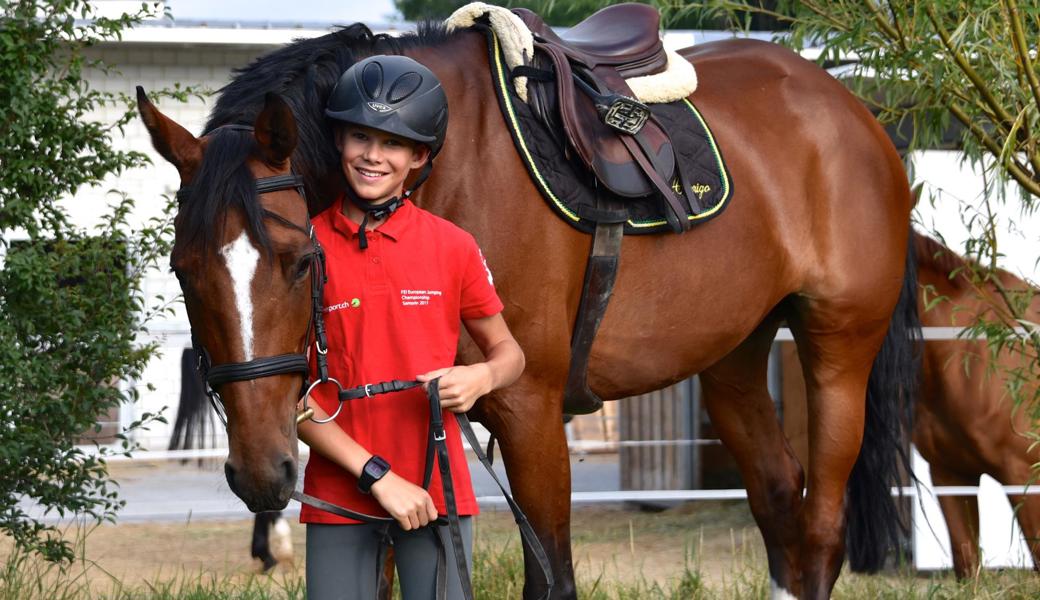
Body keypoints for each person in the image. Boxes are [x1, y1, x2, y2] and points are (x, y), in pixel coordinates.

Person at [296, 55, 525, 600]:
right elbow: (290, 399)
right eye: (360, 137)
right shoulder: (301, 249)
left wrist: (482, 378)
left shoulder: (453, 246)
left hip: (437, 485)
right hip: (340, 490)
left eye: (393, 143)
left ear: (419, 156)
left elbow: (509, 353)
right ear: (339, 141)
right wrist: (377, 477)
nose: (373, 156)